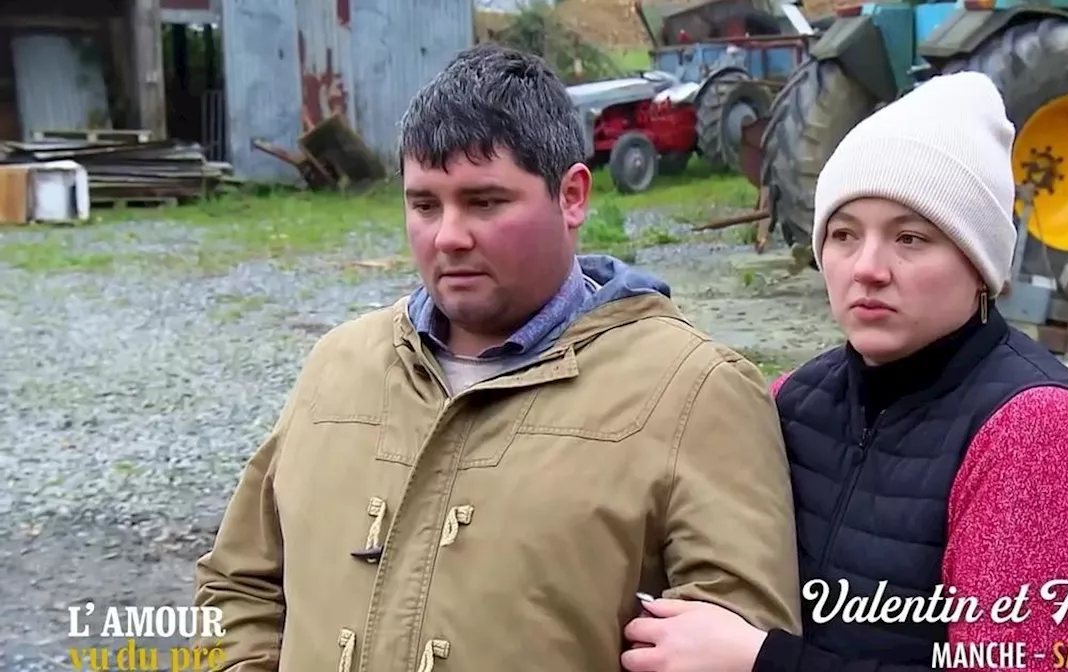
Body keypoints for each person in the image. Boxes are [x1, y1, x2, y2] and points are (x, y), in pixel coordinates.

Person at [193, 44, 802, 672]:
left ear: (571, 197)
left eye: (484, 202)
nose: (449, 236)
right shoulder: (338, 364)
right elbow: (236, 583)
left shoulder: (695, 390)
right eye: (424, 204)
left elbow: (737, 648)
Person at [620, 72, 1068, 671]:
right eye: (845, 235)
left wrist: (761, 662)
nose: (868, 268)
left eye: (910, 237)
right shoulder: (793, 399)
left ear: (981, 267)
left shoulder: (1038, 434)